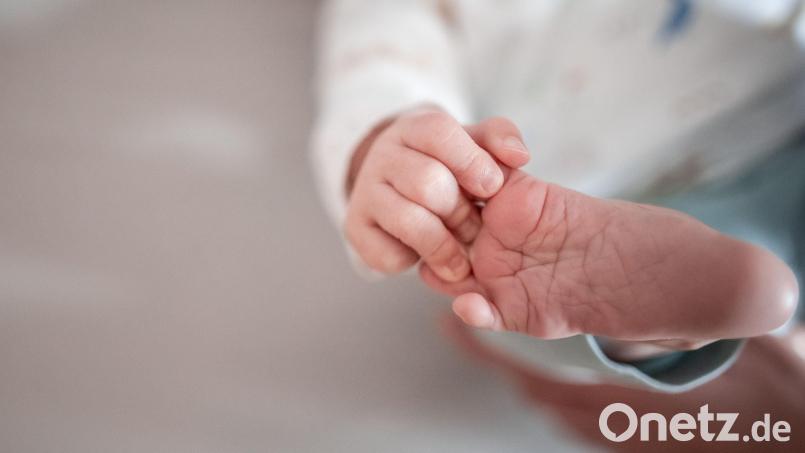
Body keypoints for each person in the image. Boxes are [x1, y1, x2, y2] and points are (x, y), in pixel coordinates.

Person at [310, 0, 805, 391]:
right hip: (484, 166)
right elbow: (383, 31)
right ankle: (632, 329)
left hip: (729, 161)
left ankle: (646, 328)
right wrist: (384, 132)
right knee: (494, 287)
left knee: (756, 234)